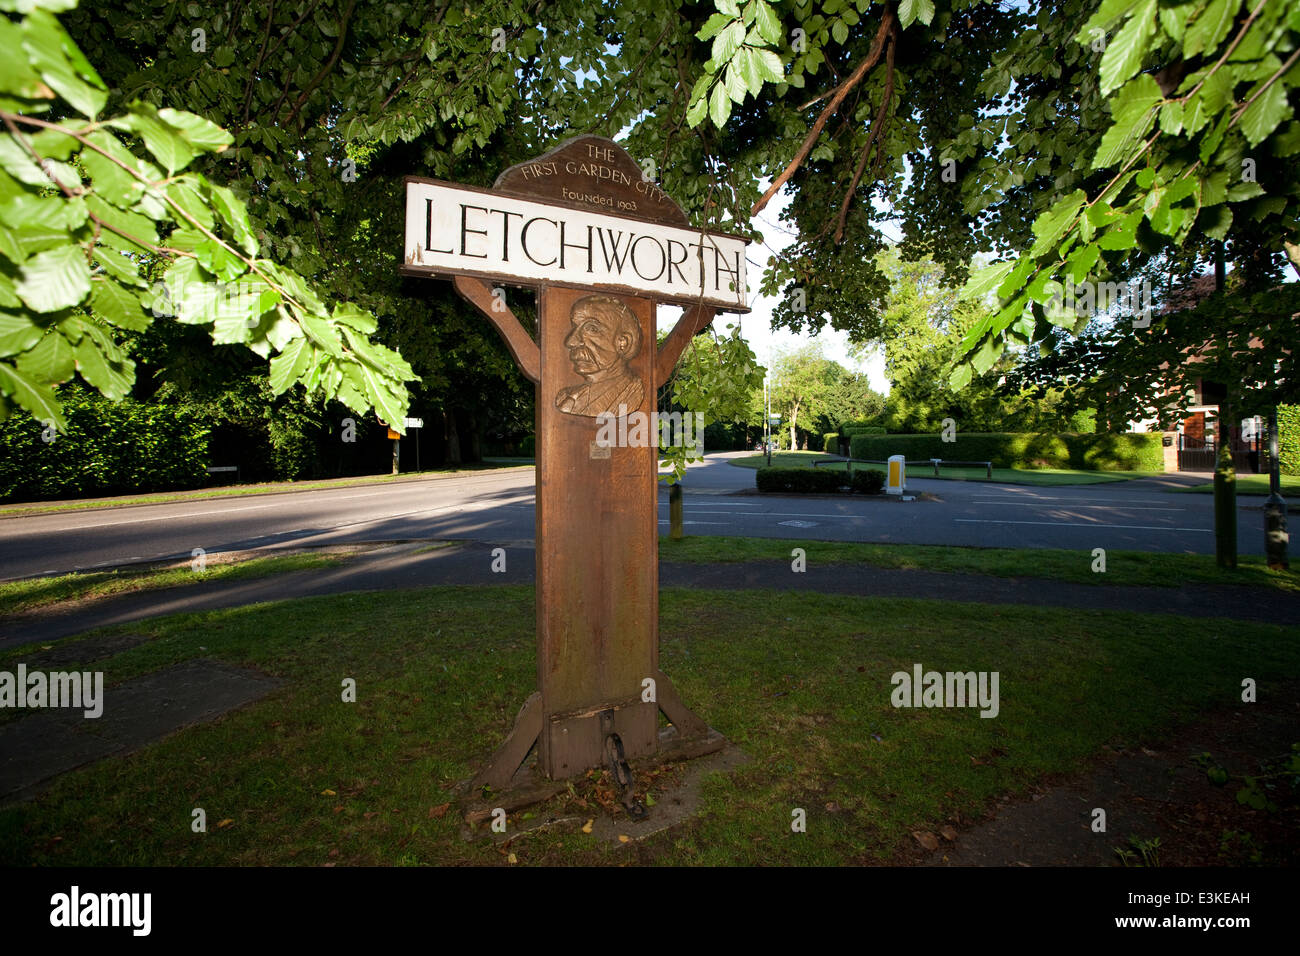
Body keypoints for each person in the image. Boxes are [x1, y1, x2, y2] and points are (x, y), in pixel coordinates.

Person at [554, 295, 644, 418]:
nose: (571, 341)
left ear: (623, 343)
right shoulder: (565, 397)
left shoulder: (632, 394)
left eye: (591, 329)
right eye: (575, 327)